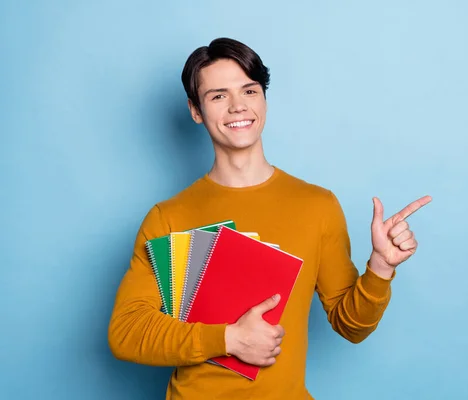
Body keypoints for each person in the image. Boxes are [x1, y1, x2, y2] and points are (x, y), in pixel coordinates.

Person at [108, 37, 431, 400]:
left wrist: (381, 267)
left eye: (249, 90)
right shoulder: (169, 217)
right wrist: (228, 338)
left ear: (263, 98)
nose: (237, 106)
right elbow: (127, 332)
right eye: (218, 96)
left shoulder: (316, 205)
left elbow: (350, 325)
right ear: (195, 110)